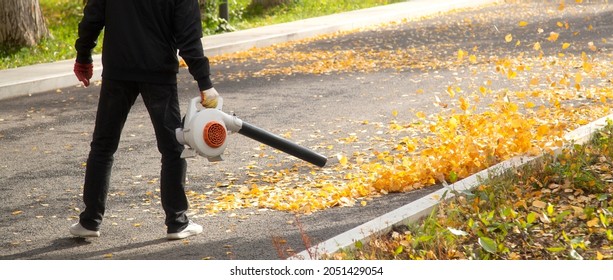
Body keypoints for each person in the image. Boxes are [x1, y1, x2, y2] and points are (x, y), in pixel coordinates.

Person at [69, 0, 220, 240]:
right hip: (158, 72)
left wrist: (83, 56)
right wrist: (205, 83)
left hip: (118, 71)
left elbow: (92, 18)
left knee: (103, 146)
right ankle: (177, 222)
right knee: (172, 148)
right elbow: (188, 37)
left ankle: (90, 221)